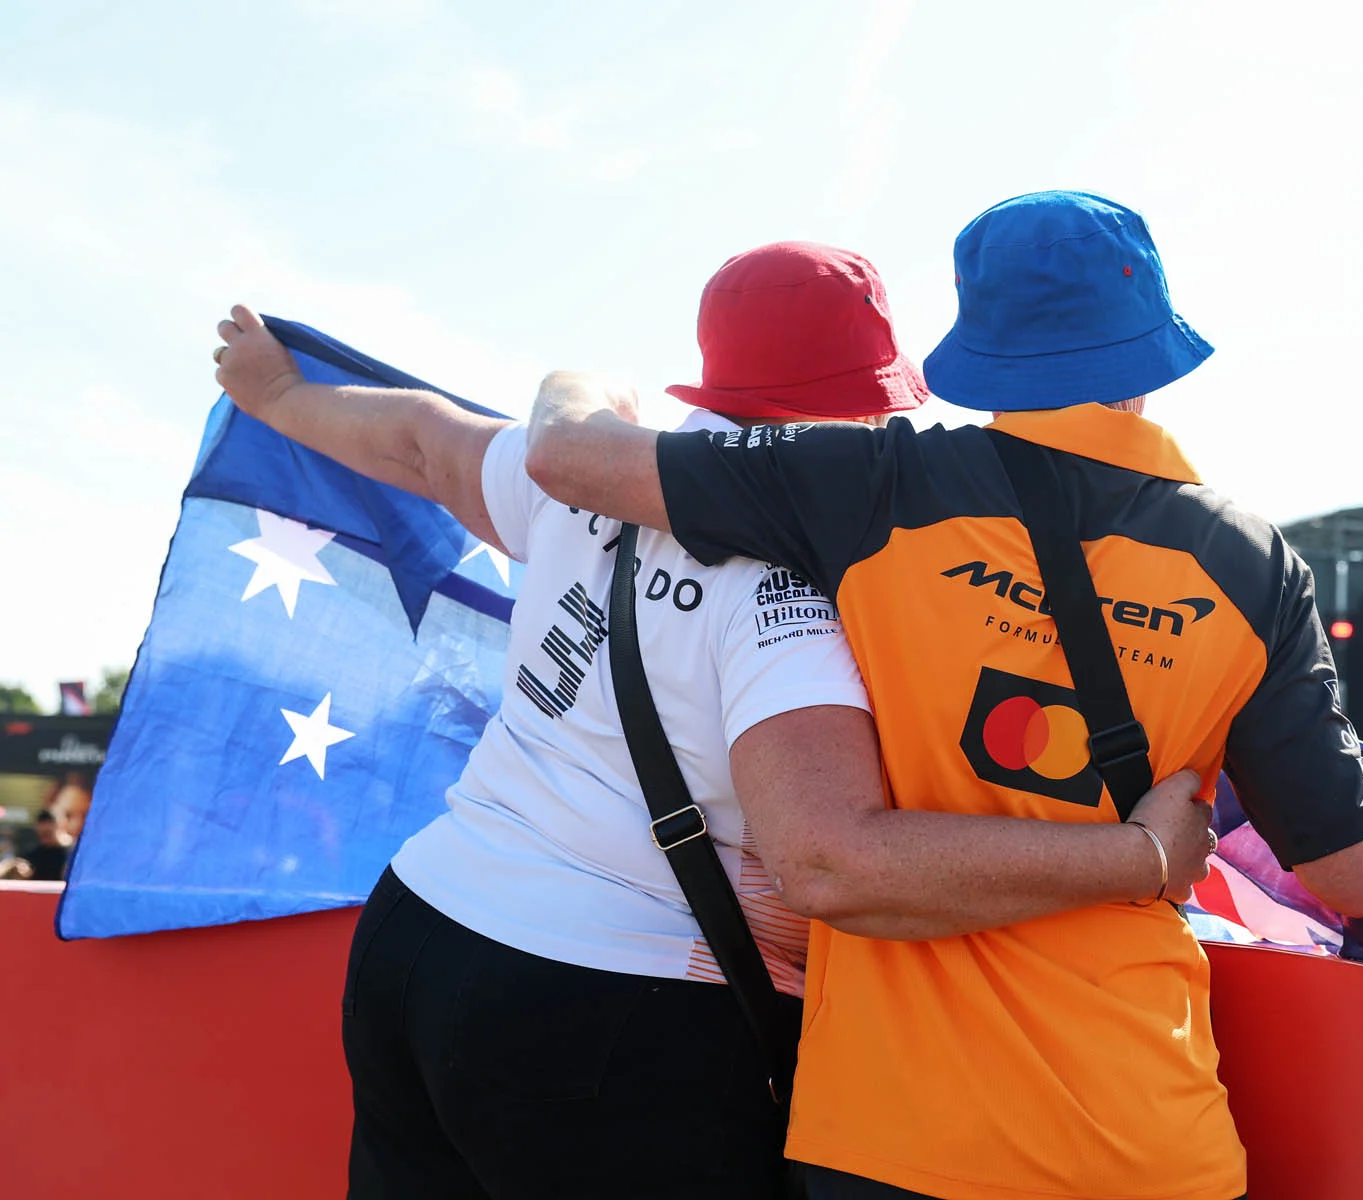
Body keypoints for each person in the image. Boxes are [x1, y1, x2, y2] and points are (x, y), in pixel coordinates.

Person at [523, 190, 1363, 1200]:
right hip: (1141, 1139)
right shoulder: (1249, 565)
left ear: (982, 340)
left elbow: (568, 459)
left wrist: (573, 384)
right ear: (1148, 355)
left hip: (885, 1140)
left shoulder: (870, 484)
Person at [212, 241, 1216, 1200]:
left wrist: (280, 394)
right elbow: (825, 862)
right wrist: (1137, 859)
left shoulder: (596, 470)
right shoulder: (807, 581)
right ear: (867, 407)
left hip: (421, 932)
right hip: (612, 1008)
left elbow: (424, 446)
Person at [23, 810, 69, 883]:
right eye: (43, 833)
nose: (45, 829)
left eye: (48, 832)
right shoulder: (30, 856)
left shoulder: (67, 855)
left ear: (56, 826)